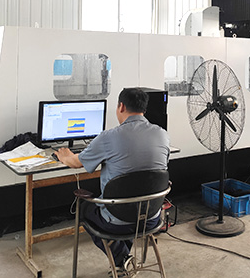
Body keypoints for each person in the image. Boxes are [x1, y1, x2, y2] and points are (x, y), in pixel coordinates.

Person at [56, 88, 170, 272]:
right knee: (131, 199)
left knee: (84, 207)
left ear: (121, 106)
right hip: (151, 218)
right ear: (144, 109)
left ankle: (121, 258)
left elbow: (76, 163)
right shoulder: (162, 134)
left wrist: (64, 156)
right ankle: (122, 262)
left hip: (117, 222)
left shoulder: (108, 137)